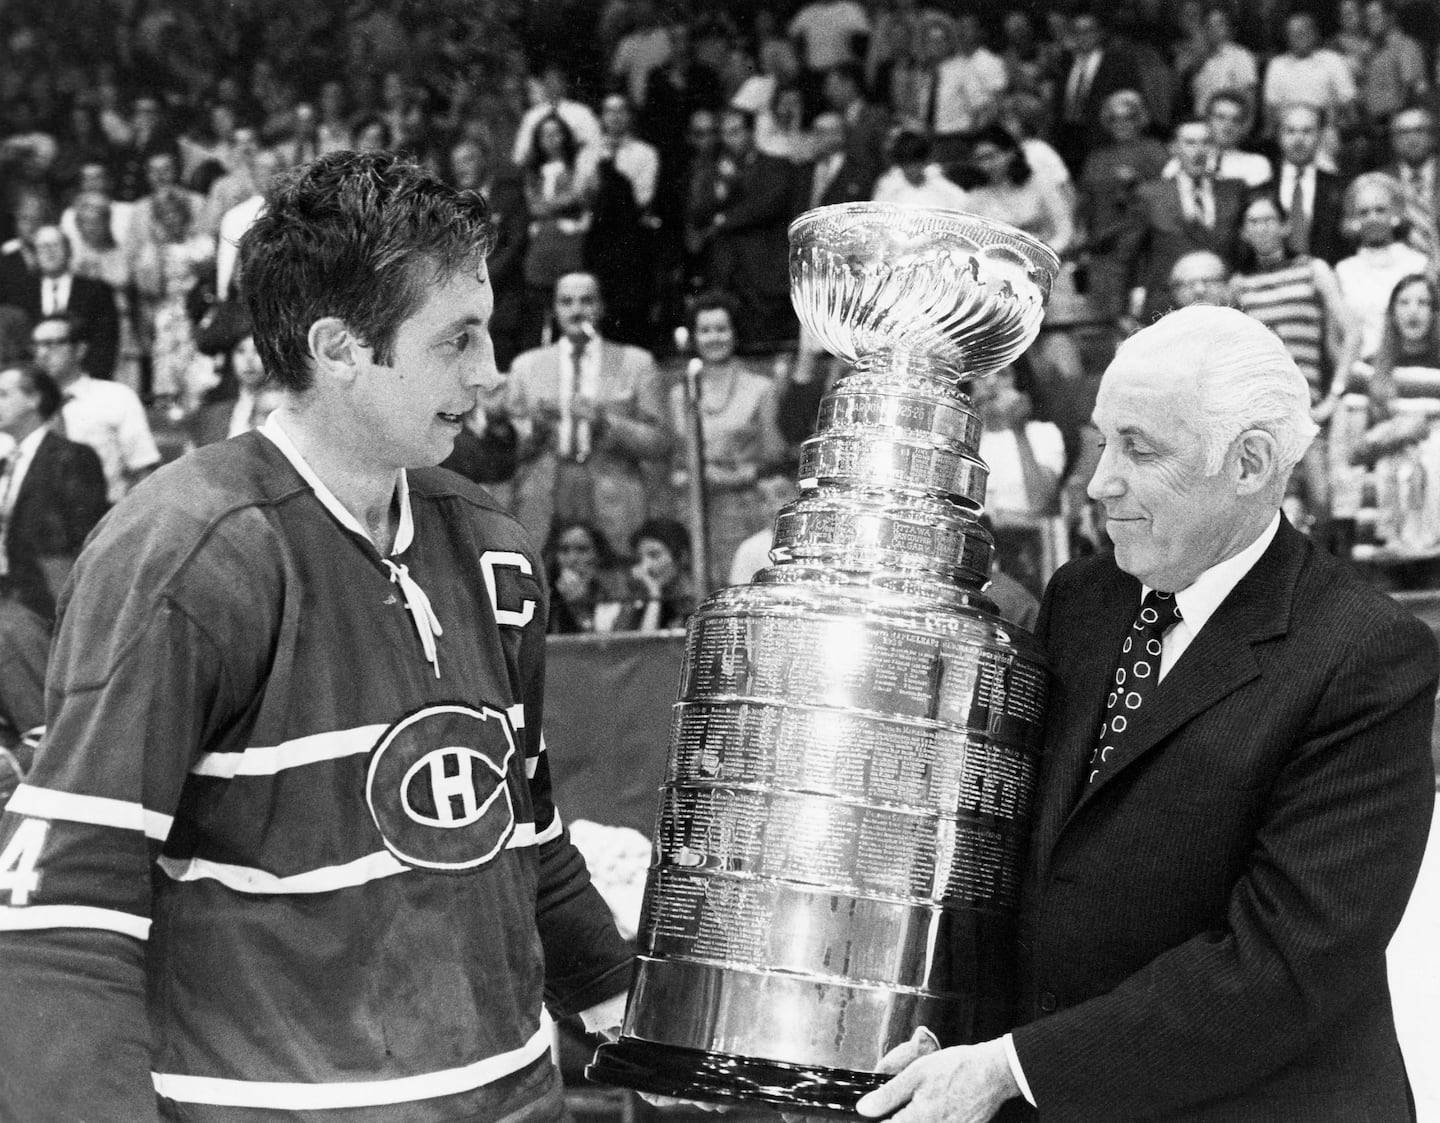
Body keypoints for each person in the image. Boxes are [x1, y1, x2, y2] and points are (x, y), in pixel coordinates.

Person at [0, 149, 634, 1122]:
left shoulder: (496, 550)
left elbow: (526, 834)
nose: (490, 372)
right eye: (457, 339)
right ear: (339, 348)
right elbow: (65, 918)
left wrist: (627, 1008)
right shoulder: (185, 554)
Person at [858, 303, 1437, 1122]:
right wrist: (954, 1029)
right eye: (1103, 442)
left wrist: (1013, 1066)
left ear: (1249, 463)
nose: (1101, 482)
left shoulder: (1364, 653)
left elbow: (1283, 966)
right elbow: (1034, 868)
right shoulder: (1082, 598)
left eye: (1140, 448)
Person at [507, 271, 671, 551]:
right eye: (566, 302)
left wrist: (607, 423)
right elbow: (506, 451)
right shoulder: (525, 367)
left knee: (618, 575)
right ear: (555, 310)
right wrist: (535, 430)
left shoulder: (637, 364)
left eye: (586, 301)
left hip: (615, 498)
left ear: (602, 307)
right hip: (542, 498)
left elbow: (661, 443)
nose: (577, 311)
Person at [0, 361, 107, 746]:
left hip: (47, 593)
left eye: (3, 394)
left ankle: (43, 740)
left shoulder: (71, 456)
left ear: (34, 399)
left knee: (5, 627)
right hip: (11, 588)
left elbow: (82, 540)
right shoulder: (5, 462)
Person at [670, 290, 786, 588]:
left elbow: (774, 457)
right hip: (694, 508)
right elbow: (675, 459)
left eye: (721, 329)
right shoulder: (679, 393)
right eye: (705, 330)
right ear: (694, 337)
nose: (714, 338)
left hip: (743, 506)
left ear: (735, 333)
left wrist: (737, 476)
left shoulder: (760, 388)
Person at [31, 314, 159, 504]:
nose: (42, 353)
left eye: (52, 344)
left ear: (80, 350)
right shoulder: (24, 403)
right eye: (37, 345)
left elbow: (144, 468)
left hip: (104, 511)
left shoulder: (115, 396)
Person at [1334, 171, 1431, 359]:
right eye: (1364, 212)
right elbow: (1336, 339)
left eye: (1380, 210)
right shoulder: (1343, 271)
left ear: (1396, 213)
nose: (1372, 218)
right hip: (1359, 368)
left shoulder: (1420, 265)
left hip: (1412, 367)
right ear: (1353, 219)